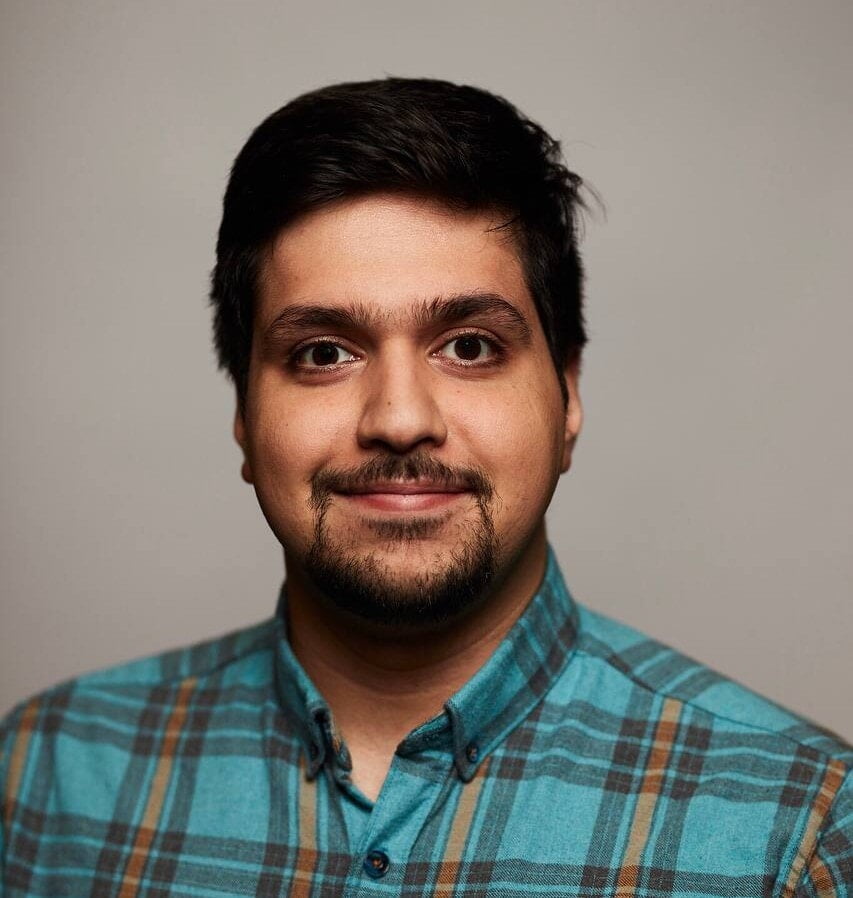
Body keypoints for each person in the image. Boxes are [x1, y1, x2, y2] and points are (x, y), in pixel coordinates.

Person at [1, 77, 850, 897]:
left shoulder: (799, 827)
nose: (400, 419)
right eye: (323, 353)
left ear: (567, 397)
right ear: (243, 416)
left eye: (470, 346)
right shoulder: (43, 775)